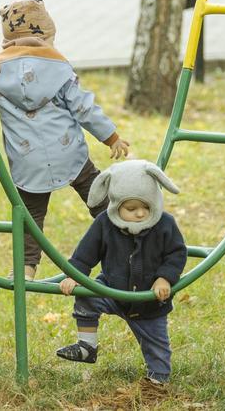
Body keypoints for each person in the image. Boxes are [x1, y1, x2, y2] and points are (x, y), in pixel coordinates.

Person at [0, 0, 130, 281]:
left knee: (30, 218)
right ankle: (124, 242)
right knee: (97, 196)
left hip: (28, 161)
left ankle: (26, 269)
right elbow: (83, 107)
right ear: (46, 35)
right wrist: (111, 137)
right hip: (68, 152)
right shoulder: (59, 68)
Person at [55, 160, 187, 384]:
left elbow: (176, 254)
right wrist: (74, 275)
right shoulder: (105, 223)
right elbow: (86, 252)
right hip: (111, 290)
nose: (140, 214)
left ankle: (158, 380)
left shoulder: (165, 224)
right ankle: (87, 346)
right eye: (131, 208)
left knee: (156, 344)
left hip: (150, 301)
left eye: (146, 206)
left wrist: (164, 278)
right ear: (116, 205)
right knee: (87, 296)